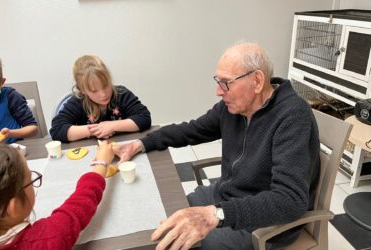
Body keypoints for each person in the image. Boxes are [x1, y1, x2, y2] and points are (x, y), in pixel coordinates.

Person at [113, 42, 320, 250]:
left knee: (179, 244)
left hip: (262, 224)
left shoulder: (293, 117)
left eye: (226, 83)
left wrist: (217, 214)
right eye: (218, 81)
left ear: (257, 81)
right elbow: (190, 130)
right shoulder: (233, 108)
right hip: (226, 195)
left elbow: (290, 201)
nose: (218, 91)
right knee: (168, 214)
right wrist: (141, 143)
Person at [0, 141, 114, 250]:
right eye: (31, 181)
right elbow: (80, 204)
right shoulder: (45, 240)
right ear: (12, 208)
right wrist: (102, 162)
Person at [50, 55, 151, 142]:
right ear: (82, 90)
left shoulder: (122, 94)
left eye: (105, 85)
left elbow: (144, 118)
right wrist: (95, 130)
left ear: (109, 79)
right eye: (94, 91)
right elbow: (57, 130)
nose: (103, 94)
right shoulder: (77, 102)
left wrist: (112, 126)